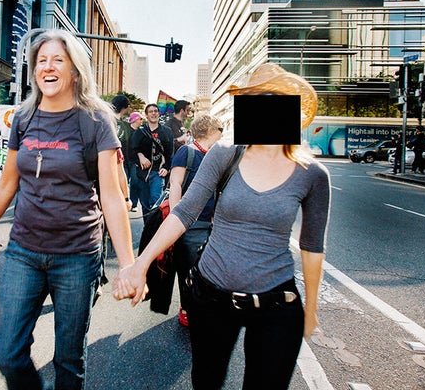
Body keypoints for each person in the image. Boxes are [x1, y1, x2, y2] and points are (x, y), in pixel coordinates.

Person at [114, 63, 331, 390]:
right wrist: (140, 264)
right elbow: (185, 211)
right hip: (212, 297)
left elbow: (312, 247)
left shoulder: (312, 174)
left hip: (277, 305)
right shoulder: (225, 154)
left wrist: (311, 309)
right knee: (207, 381)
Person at [0, 29, 136, 390]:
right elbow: (7, 183)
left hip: (77, 256)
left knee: (68, 360)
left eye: (57, 60)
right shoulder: (24, 118)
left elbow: (111, 195)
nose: (47, 66)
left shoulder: (94, 121)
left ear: (75, 70)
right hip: (23, 252)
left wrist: (127, 264)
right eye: (41, 60)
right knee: (8, 352)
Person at [168, 114, 223, 327]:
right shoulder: (187, 152)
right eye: (220, 129)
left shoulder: (217, 156)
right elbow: (175, 185)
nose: (222, 134)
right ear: (210, 130)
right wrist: (176, 220)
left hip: (213, 224)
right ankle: (187, 308)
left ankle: (205, 307)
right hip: (190, 223)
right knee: (189, 268)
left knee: (209, 270)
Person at [130, 103, 174, 215]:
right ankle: (147, 229)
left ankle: (154, 230)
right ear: (146, 115)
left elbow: (170, 153)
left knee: (155, 202)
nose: (153, 113)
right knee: (145, 204)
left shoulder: (166, 131)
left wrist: (166, 168)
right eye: (151, 111)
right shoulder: (139, 132)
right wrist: (140, 156)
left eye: (155, 111)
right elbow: (132, 150)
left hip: (157, 172)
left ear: (159, 113)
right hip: (142, 173)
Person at [127, 111, 144, 212]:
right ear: (135, 120)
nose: (142, 121)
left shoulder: (141, 132)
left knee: (135, 182)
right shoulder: (126, 130)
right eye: (140, 118)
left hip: (135, 161)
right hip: (124, 161)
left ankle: (133, 204)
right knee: (122, 181)